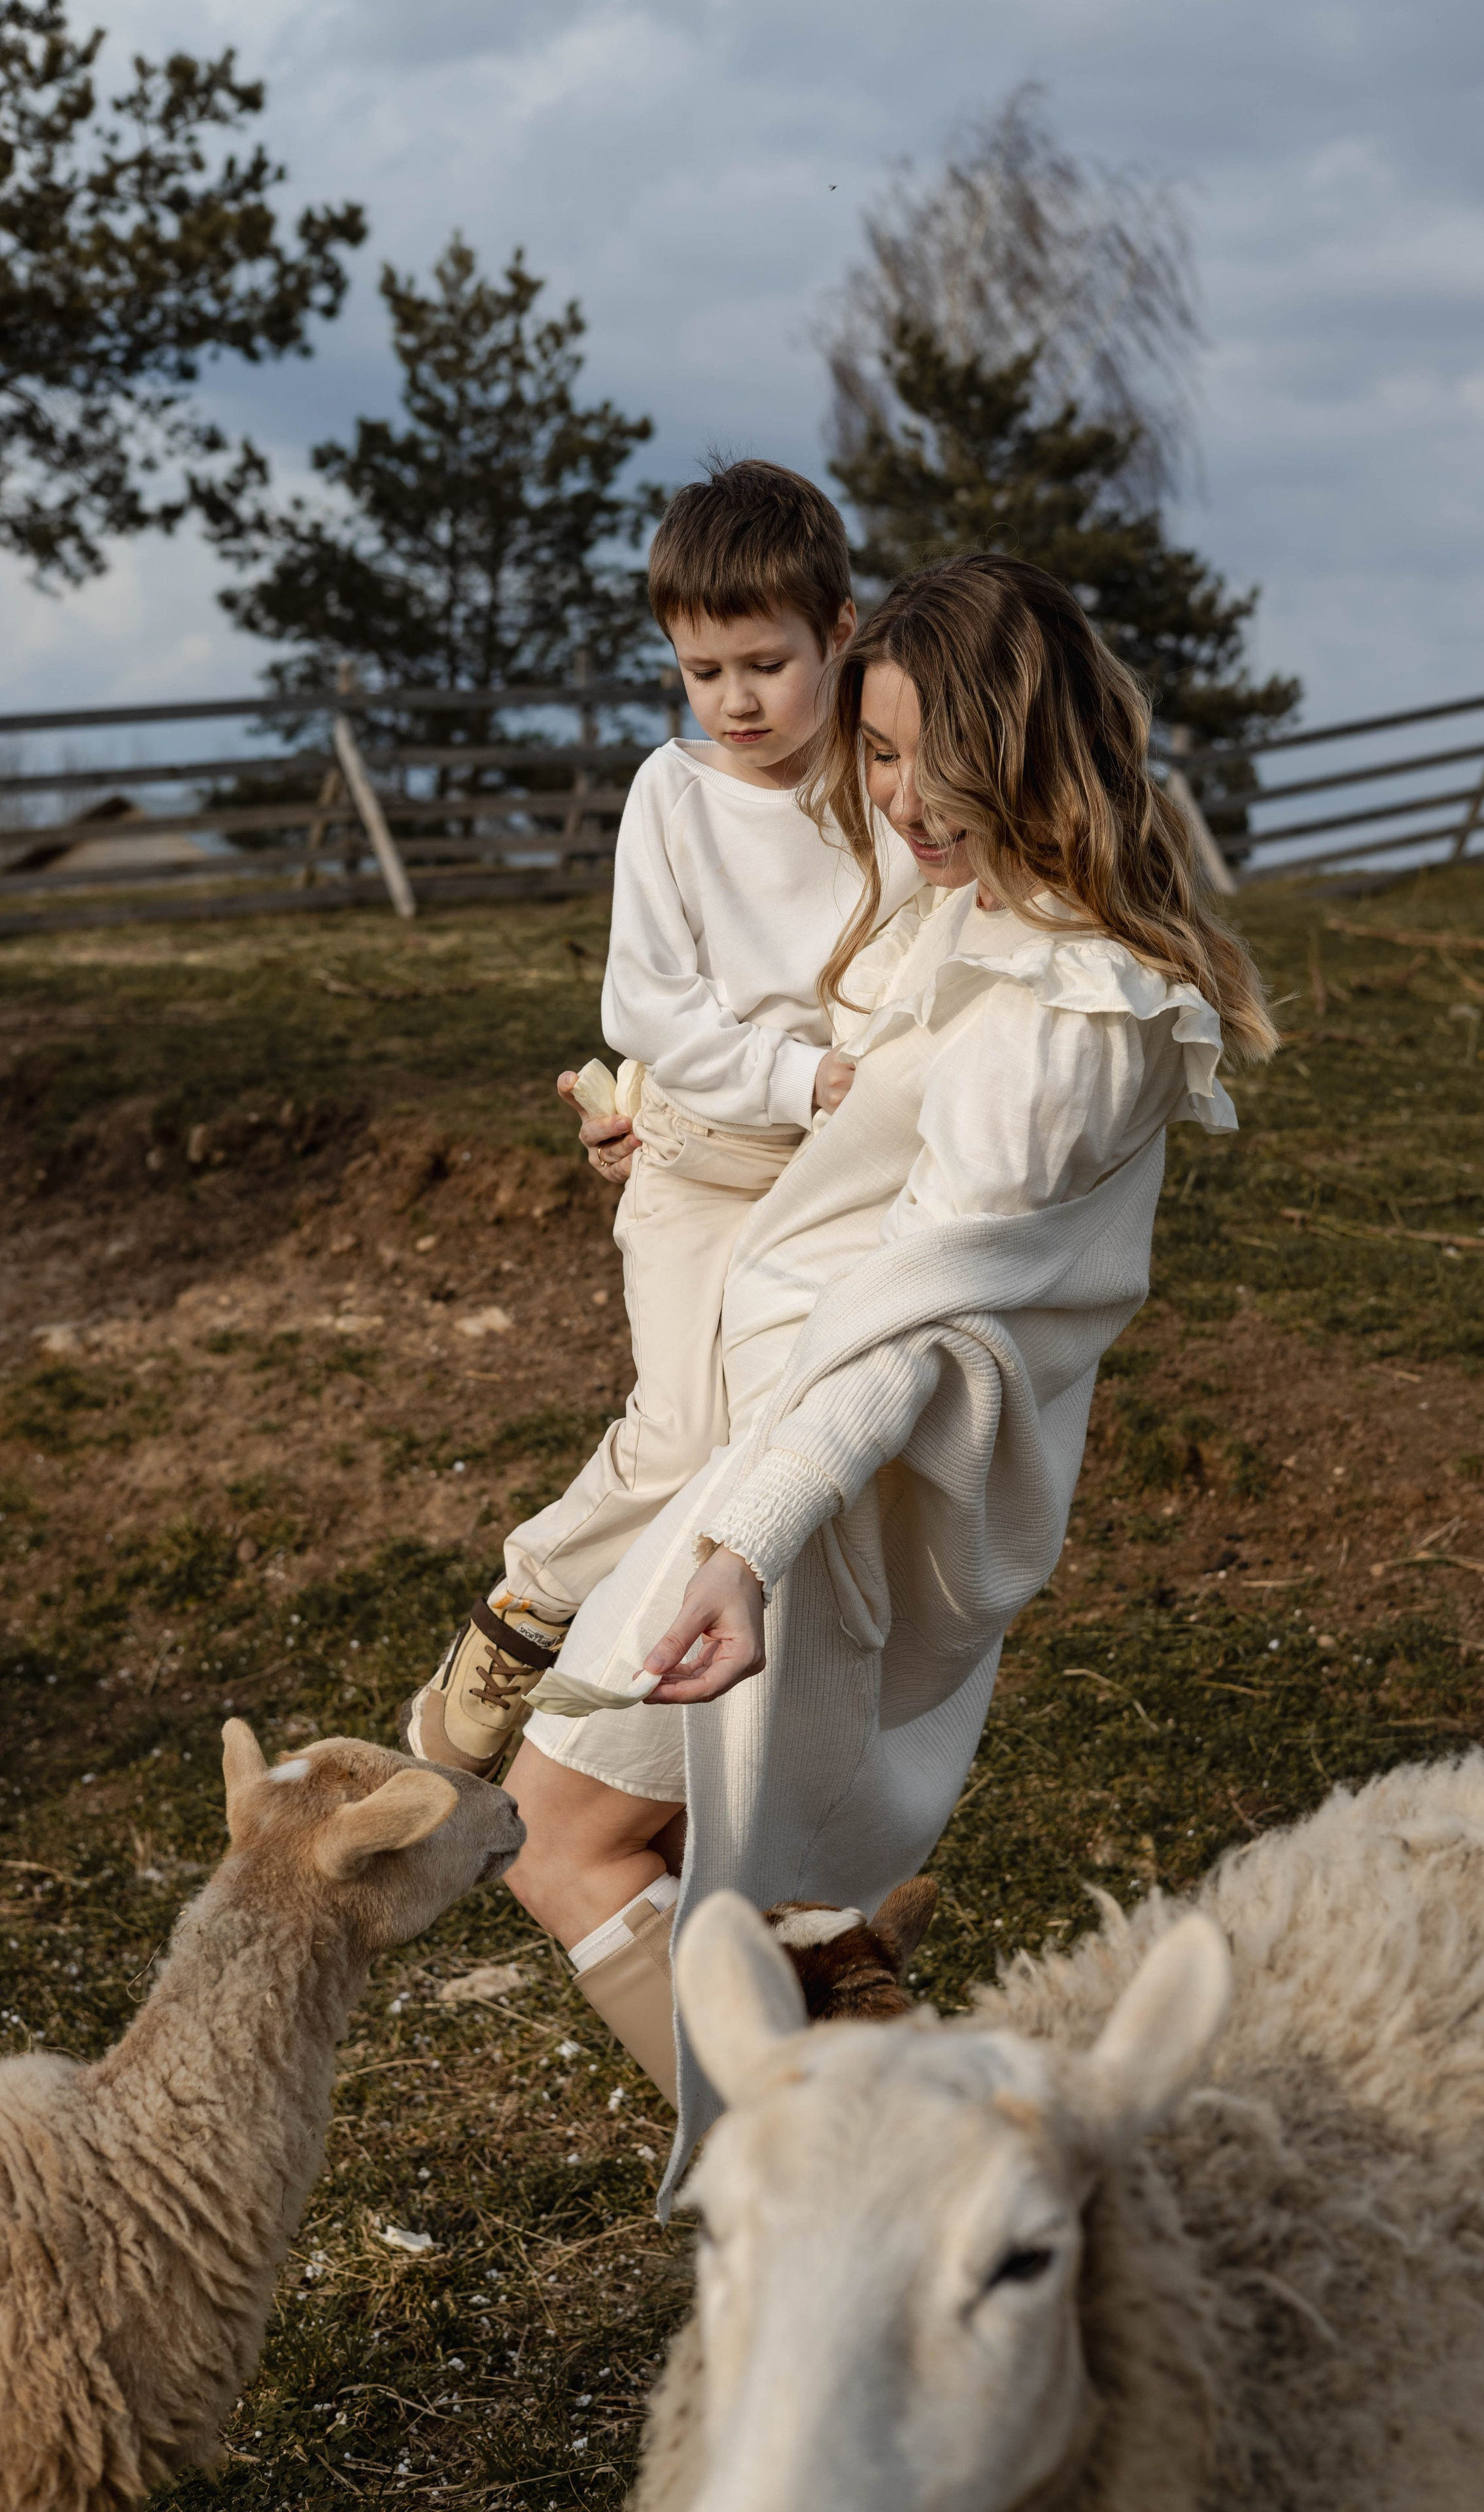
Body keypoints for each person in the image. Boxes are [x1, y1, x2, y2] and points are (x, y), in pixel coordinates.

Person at [502, 554, 1276, 2170]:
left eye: (936, 752)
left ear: (1024, 741)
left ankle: (838, 2187)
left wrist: (745, 1540)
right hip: (773, 1456)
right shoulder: (971, 919)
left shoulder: (1065, 1016)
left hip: (823, 1492)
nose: (901, 796)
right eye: (875, 749)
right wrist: (665, 1139)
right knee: (689, 1864)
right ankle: (873, 2115)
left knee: (566, 1838)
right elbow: (843, 1137)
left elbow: (918, 1319)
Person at [402, 458, 915, 1796]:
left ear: (840, 631)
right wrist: (800, 1076)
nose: (736, 701)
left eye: (765, 662)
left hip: (835, 1180)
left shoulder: (886, 791)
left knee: (782, 1457)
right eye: (702, 671)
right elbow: (647, 1002)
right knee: (682, 1435)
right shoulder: (673, 797)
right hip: (698, 1165)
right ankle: (526, 1610)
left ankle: (730, 1760)